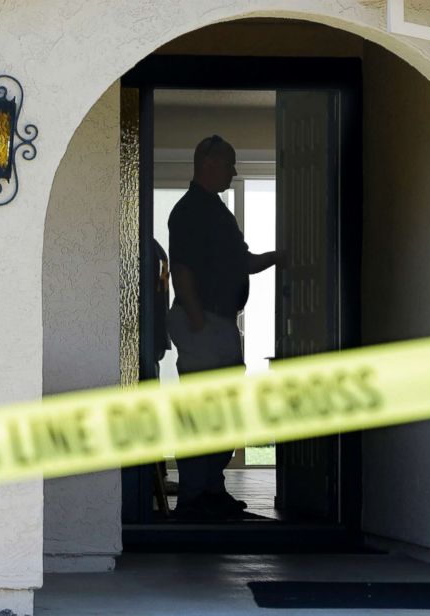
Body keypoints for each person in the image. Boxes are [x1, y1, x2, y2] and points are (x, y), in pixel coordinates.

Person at [168, 134, 278, 519]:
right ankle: (195, 499)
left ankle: (211, 490)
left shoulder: (217, 211)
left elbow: (242, 262)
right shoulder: (189, 211)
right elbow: (181, 269)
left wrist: (282, 256)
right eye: (229, 163)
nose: (234, 171)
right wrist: (199, 321)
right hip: (205, 323)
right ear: (209, 163)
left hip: (217, 323)